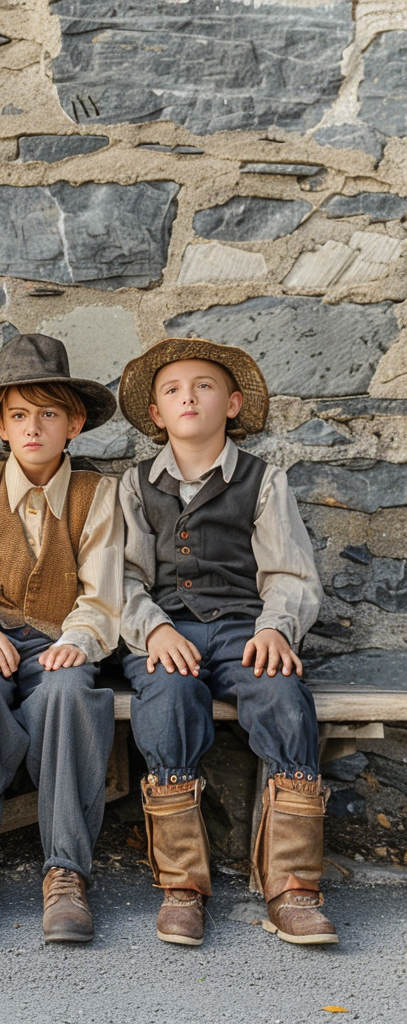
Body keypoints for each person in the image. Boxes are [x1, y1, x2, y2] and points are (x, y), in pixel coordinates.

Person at [117, 337, 334, 947]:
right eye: (173, 390)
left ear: (233, 403)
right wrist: (153, 628)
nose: (189, 396)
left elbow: (290, 573)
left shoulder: (264, 482)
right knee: (167, 696)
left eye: (205, 386)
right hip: (167, 630)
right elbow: (122, 578)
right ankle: (183, 885)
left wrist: (275, 628)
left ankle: (293, 885)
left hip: (245, 626)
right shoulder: (134, 485)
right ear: (157, 415)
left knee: (283, 695)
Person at [0, 333, 122, 946]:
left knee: (69, 696)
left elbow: (104, 588)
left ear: (75, 424)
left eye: (48, 413)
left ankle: (65, 871)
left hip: (59, 638)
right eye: (18, 415)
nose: (33, 427)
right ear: (0, 425)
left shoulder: (99, 495)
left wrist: (82, 638)